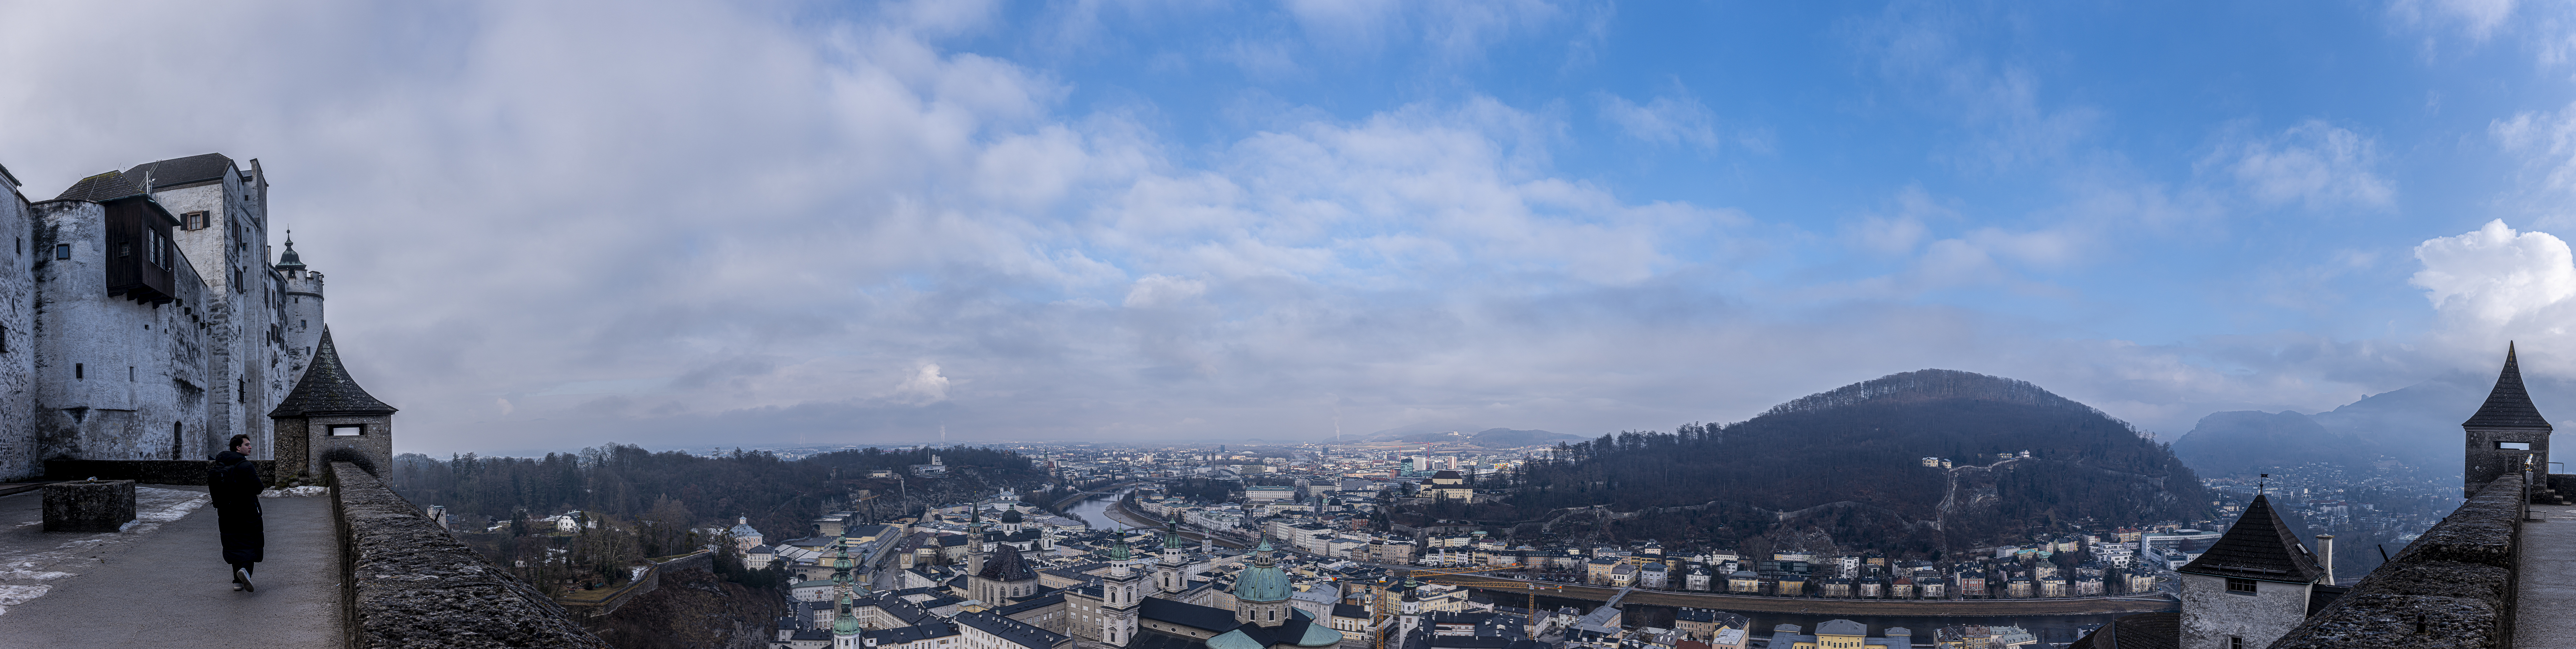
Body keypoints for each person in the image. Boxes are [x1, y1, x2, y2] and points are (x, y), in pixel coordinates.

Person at [209, 434, 265, 592]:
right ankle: (245, 571)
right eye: (247, 445)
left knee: (234, 545)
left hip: (226, 513)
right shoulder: (245, 466)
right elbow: (259, 488)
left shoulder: (220, 466)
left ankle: (237, 582)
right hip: (247, 512)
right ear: (238, 448)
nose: (250, 447)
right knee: (250, 544)